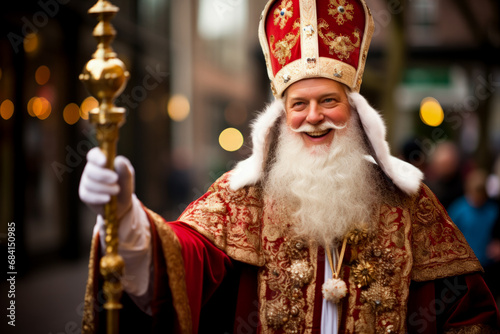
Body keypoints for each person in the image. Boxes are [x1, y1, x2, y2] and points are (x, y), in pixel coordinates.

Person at [79, 0, 500, 333]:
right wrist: (127, 220)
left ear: (354, 113)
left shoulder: (409, 204)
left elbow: (469, 311)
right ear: (282, 116)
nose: (314, 116)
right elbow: (184, 259)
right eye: (299, 104)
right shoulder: (242, 196)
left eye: (329, 101)